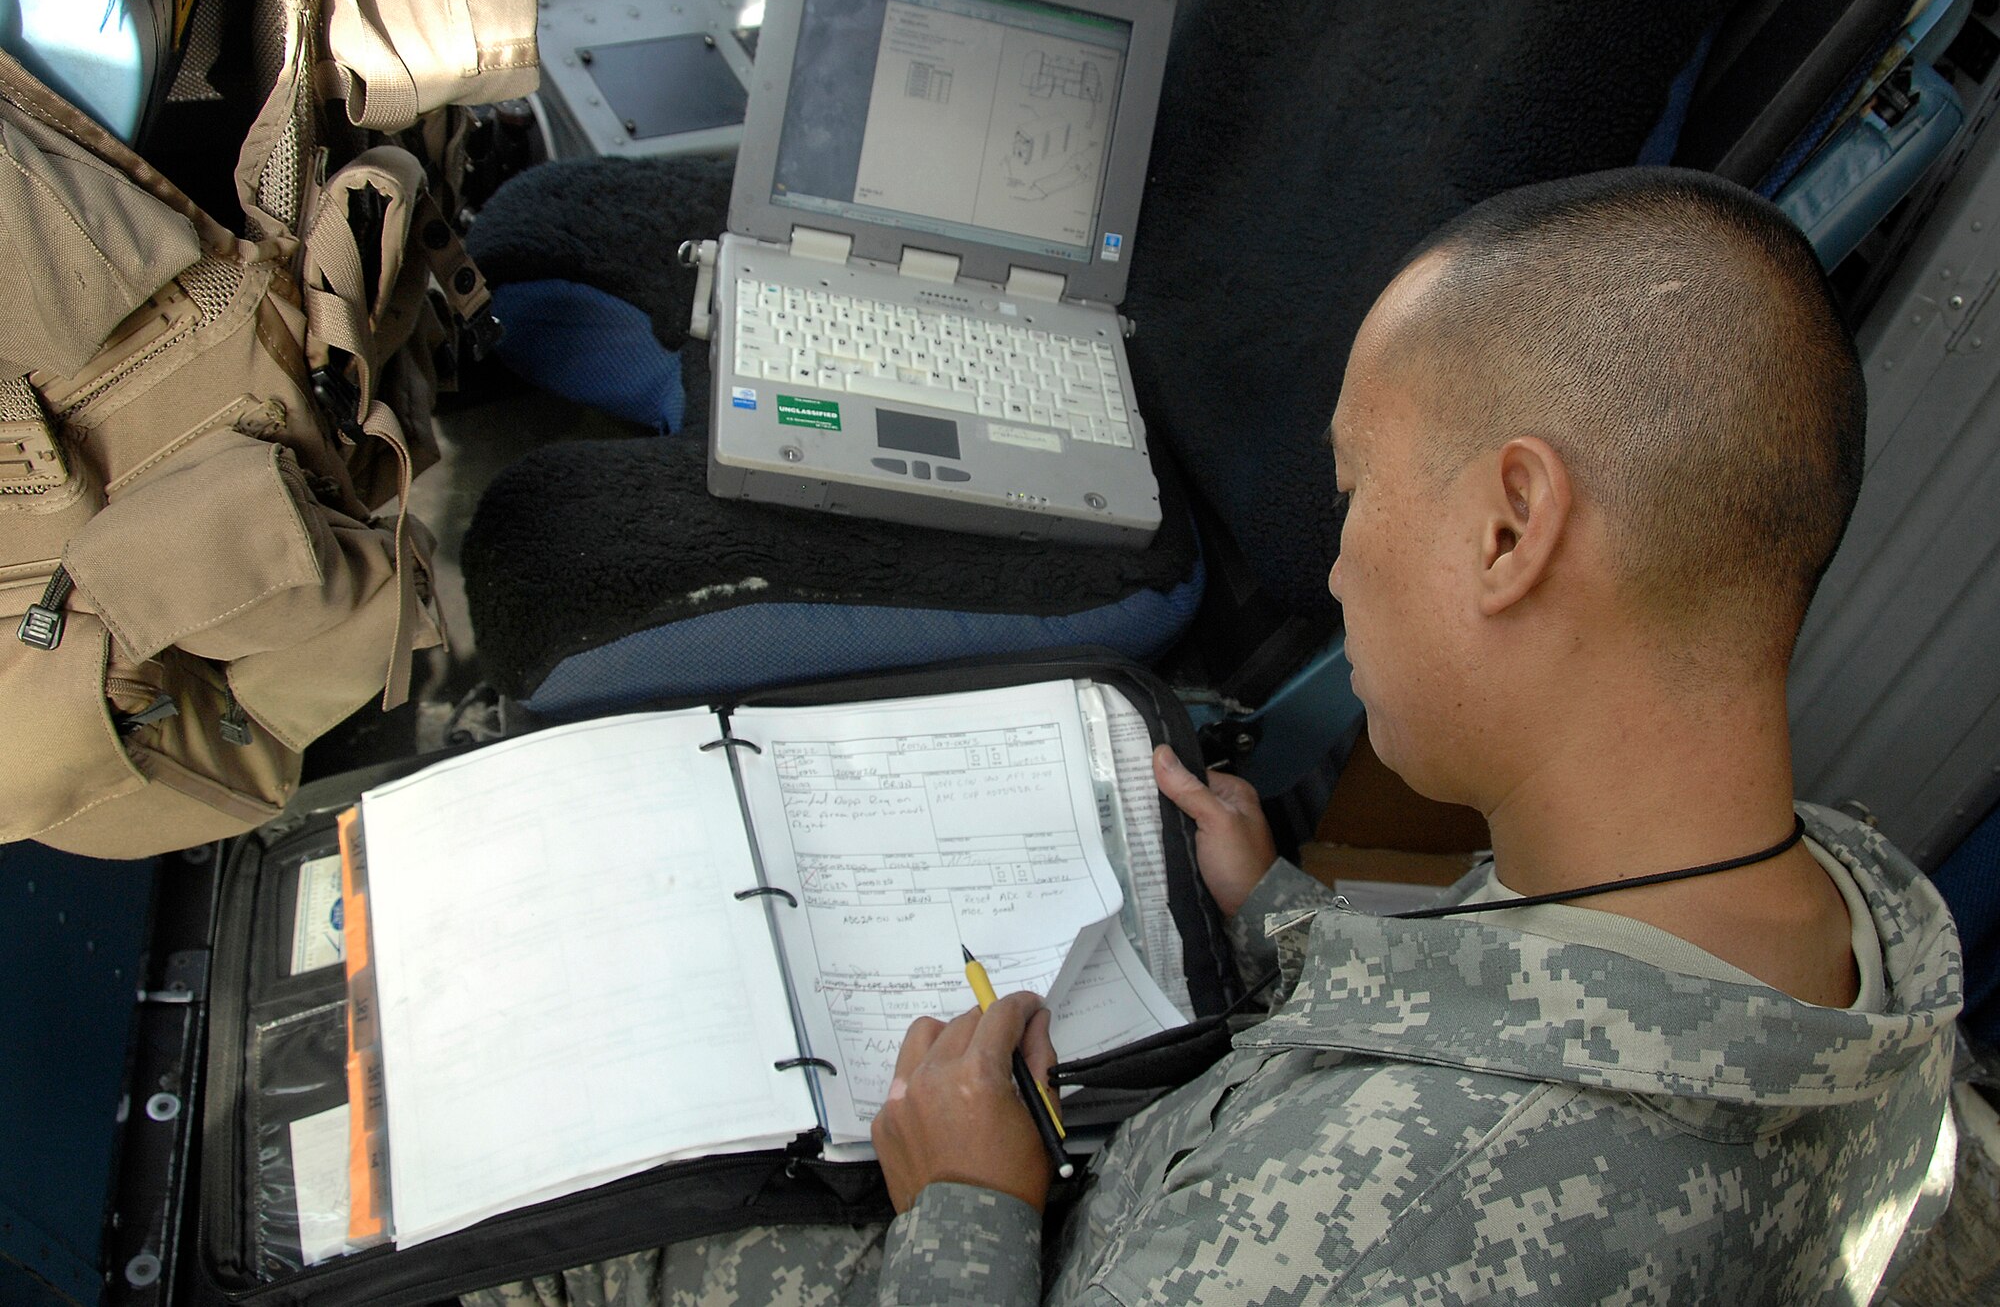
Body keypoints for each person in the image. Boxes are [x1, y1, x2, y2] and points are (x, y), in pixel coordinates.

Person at [466, 168, 1961, 1307]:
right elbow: (1535, 990)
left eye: (1359, 491)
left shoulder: (1368, 1232)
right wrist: (1286, 922)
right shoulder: (1851, 927)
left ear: (1511, 526)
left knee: (517, 1184)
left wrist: (966, 1219)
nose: (1334, 563)